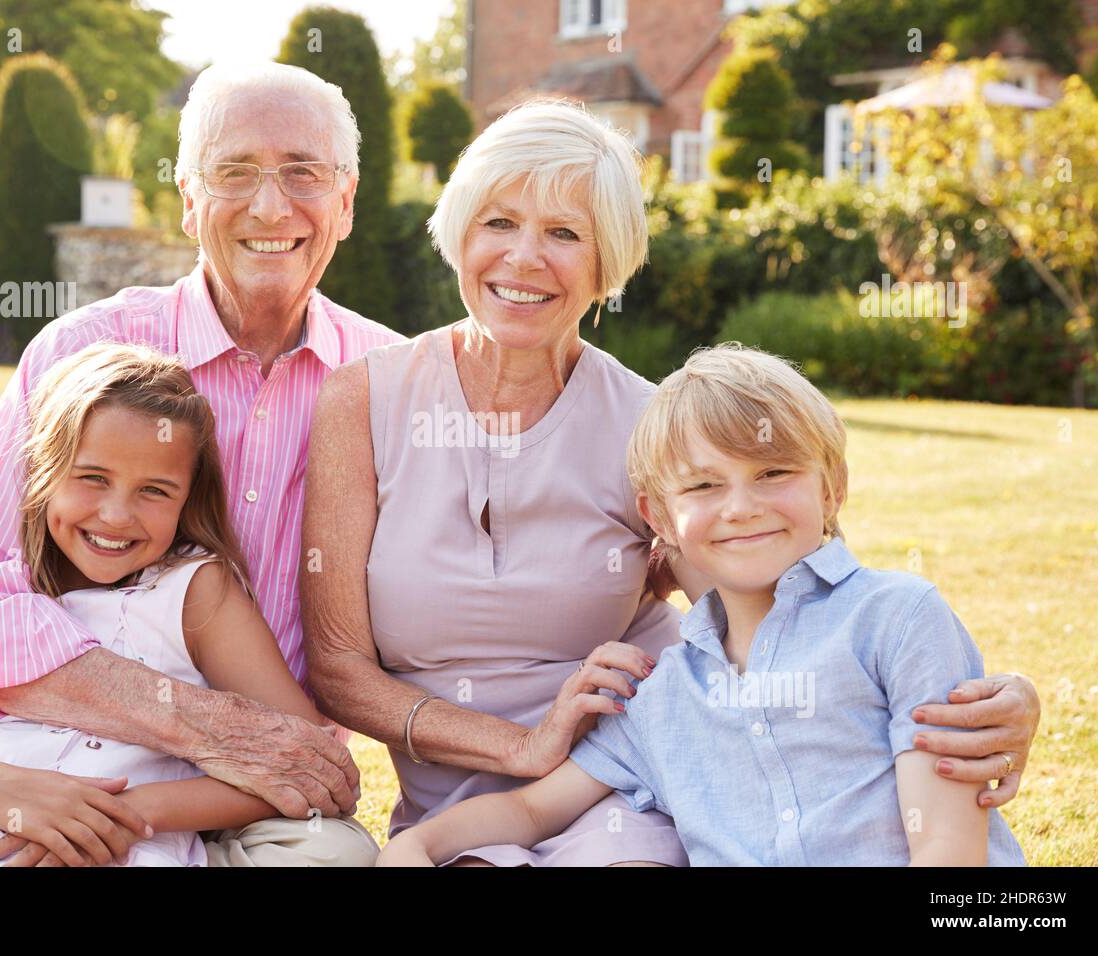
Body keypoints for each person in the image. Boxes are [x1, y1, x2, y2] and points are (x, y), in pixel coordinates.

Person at [303, 99, 1040, 867]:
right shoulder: (363, 399)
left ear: (606, 261)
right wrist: (521, 745)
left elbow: (793, 595)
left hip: (633, 787)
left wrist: (994, 695)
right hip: (471, 811)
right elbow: (340, 668)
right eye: (498, 222)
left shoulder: (649, 421)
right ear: (458, 232)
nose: (524, 258)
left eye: (564, 233)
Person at [0, 61, 402, 863]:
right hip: (25, 701)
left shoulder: (394, 382)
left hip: (241, 768)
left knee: (330, 853)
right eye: (235, 173)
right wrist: (173, 722)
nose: (271, 204)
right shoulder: (81, 350)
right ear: (190, 201)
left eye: (303, 172)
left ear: (347, 200)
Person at [376, 344, 1027, 867]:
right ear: (657, 515)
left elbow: (947, 854)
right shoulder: (663, 695)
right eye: (704, 485)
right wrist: (419, 844)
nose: (741, 507)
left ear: (833, 489)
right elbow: (527, 813)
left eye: (774, 473)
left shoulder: (898, 620)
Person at [0, 344, 377, 866]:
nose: (115, 515)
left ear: (187, 499)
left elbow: (301, 763)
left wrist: (118, 817)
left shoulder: (196, 593)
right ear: (43, 471)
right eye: (92, 478)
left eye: (154, 490)